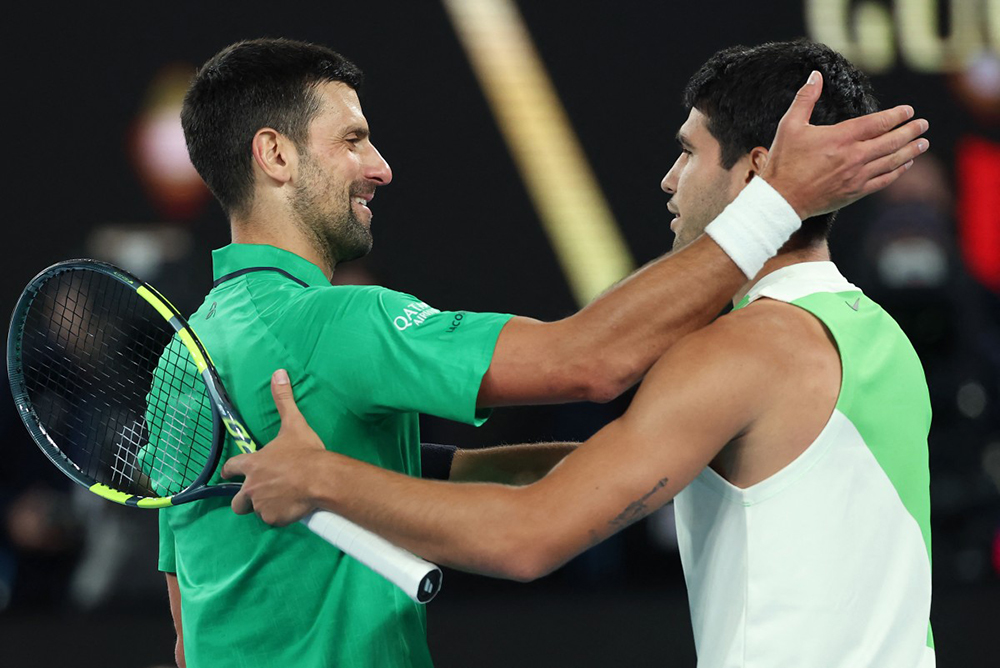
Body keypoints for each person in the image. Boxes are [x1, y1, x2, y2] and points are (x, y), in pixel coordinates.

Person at [224, 41, 935, 667]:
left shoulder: (740, 352)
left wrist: (322, 481)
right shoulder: (875, 334)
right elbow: (635, 468)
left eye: (688, 152)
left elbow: (526, 538)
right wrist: (397, 464)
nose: (668, 179)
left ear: (755, 176)